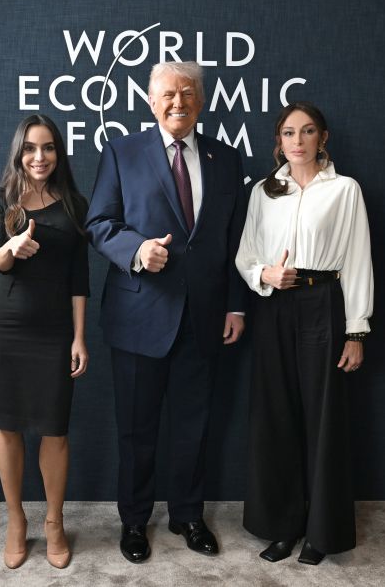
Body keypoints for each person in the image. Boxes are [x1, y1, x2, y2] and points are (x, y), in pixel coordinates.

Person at [85, 61, 248, 563]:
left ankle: (188, 516)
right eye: (168, 94)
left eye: (188, 93)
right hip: (139, 316)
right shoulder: (121, 152)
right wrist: (137, 250)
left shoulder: (226, 159)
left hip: (204, 317)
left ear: (201, 101)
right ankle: (135, 521)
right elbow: (99, 223)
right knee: (137, 430)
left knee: (193, 427)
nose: (178, 102)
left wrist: (236, 305)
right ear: (151, 102)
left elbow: (234, 239)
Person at [235, 101, 373, 565]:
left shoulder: (345, 190)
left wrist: (356, 331)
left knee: (323, 419)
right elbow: (246, 254)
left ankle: (321, 533)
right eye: (289, 132)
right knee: (275, 416)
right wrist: (265, 275)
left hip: (323, 303)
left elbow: (358, 259)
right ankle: (282, 526)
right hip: (275, 306)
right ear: (279, 140)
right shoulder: (263, 192)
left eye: (308, 131)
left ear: (323, 138)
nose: (298, 141)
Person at [0, 114, 89, 570]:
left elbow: (80, 278)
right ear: (18, 153)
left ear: (58, 153)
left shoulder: (75, 204)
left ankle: (54, 523)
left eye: (48, 147)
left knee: (54, 430)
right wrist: (12, 248)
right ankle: (16, 520)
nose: (39, 157)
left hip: (55, 332)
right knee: (7, 427)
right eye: (30, 148)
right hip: (6, 328)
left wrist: (80, 337)